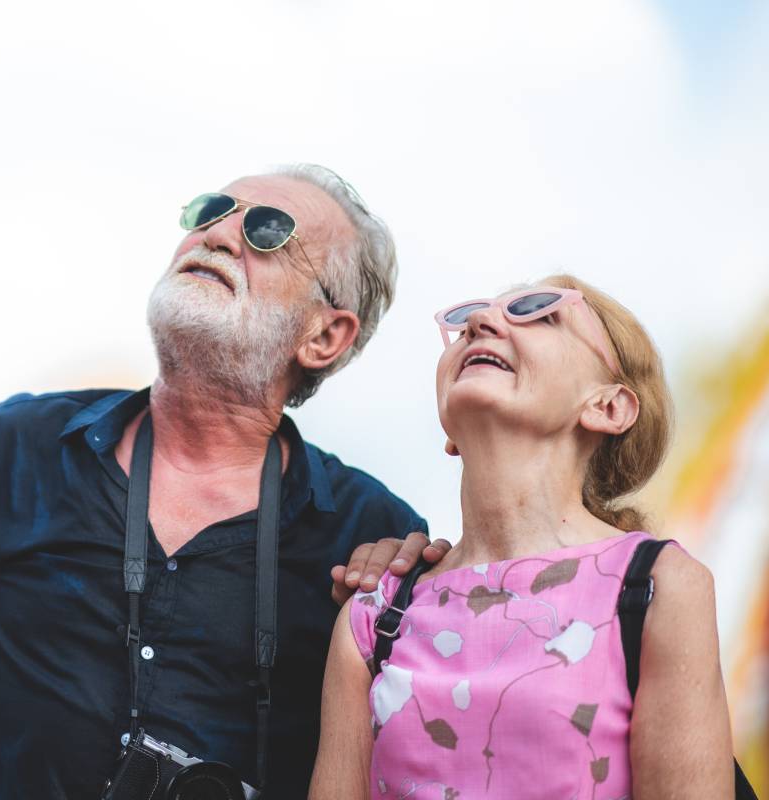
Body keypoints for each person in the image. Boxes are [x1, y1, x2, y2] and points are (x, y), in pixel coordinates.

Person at [0, 164, 450, 799]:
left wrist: (441, 581)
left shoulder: (370, 537)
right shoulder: (15, 450)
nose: (215, 233)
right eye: (212, 211)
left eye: (266, 230)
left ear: (325, 337)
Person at [310, 276, 736, 798]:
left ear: (608, 407)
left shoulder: (659, 587)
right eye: (473, 314)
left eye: (539, 312)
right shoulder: (374, 613)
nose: (481, 322)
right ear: (450, 430)